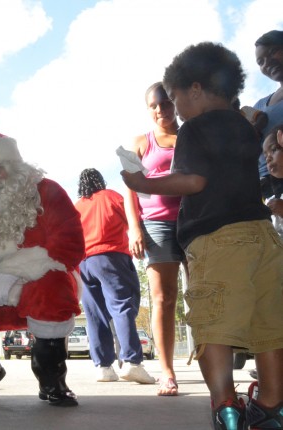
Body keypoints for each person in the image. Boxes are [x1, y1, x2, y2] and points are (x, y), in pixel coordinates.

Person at [121, 41, 283, 430]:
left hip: (217, 239)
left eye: (175, 100)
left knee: (214, 323)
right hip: (263, 236)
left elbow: (194, 180)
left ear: (195, 89)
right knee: (269, 325)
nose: (175, 110)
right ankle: (272, 407)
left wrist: (142, 180)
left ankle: (225, 407)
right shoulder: (246, 125)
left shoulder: (195, 128)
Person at [0, 126, 85, 407]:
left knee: (52, 288)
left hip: (39, 280)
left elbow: (70, 246)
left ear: (14, 165)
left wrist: (14, 270)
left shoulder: (46, 192)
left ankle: (51, 379)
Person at [123, 81, 184, 397]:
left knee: (204, 293)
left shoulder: (191, 137)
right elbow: (130, 189)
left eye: (165, 103)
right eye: (153, 105)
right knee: (163, 297)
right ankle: (167, 372)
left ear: (175, 102)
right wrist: (134, 228)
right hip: (155, 224)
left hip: (194, 220)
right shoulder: (141, 143)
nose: (160, 110)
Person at [74, 168, 155, 385]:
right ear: (101, 181)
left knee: (94, 314)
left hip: (84, 263)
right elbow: (134, 217)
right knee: (122, 307)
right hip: (111, 257)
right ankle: (132, 362)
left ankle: (103, 367)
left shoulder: (78, 206)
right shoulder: (111, 197)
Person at [253, 30, 283, 199]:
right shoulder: (259, 106)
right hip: (266, 188)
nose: (267, 62)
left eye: (273, 52)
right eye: (260, 62)